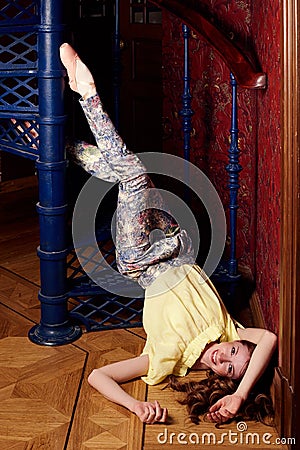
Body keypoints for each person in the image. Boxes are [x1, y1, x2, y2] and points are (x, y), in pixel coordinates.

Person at [59, 43, 277, 425]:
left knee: (133, 175)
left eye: (227, 370)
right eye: (234, 352)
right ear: (237, 340)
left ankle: (86, 95)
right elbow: (270, 340)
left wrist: (135, 405)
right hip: (176, 243)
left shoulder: (169, 357)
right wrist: (241, 393)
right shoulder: (231, 327)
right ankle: (66, 149)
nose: (222, 357)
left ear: (216, 378)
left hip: (141, 259)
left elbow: (98, 375)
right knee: (127, 174)